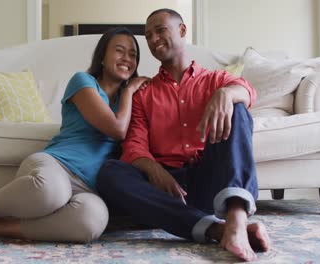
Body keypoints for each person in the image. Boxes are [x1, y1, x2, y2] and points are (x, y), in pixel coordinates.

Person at [0, 27, 150, 243]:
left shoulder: (132, 102)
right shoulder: (83, 82)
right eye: (120, 51)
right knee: (52, 192)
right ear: (102, 56)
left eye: (133, 55)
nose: (127, 59)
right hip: (57, 167)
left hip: (90, 187)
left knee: (91, 222)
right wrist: (130, 91)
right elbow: (116, 128)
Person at [96, 9, 270, 261]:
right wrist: (156, 171)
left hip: (211, 180)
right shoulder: (144, 94)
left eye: (160, 30)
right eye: (148, 36)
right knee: (109, 173)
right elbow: (134, 145)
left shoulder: (214, 80)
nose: (154, 39)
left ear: (182, 30)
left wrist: (226, 94)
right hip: (167, 189)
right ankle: (218, 229)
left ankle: (236, 217)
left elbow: (248, 92)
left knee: (239, 109)